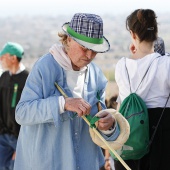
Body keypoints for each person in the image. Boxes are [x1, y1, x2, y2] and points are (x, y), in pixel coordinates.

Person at [14, 13, 121, 170]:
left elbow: (98, 123)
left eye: (95, 50)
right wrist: (62, 103)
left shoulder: (96, 75)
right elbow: (22, 113)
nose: (90, 55)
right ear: (69, 39)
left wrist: (108, 126)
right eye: (84, 48)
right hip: (46, 164)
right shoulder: (44, 67)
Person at [114, 9, 170, 170]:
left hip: (129, 140)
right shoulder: (166, 64)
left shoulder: (121, 66)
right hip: (161, 140)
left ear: (132, 34)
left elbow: (120, 106)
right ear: (156, 32)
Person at [0, 42, 29, 170]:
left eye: (3, 56)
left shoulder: (28, 79)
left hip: (19, 139)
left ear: (13, 58)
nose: (0, 59)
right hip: (2, 137)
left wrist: (22, 145)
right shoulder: (4, 77)